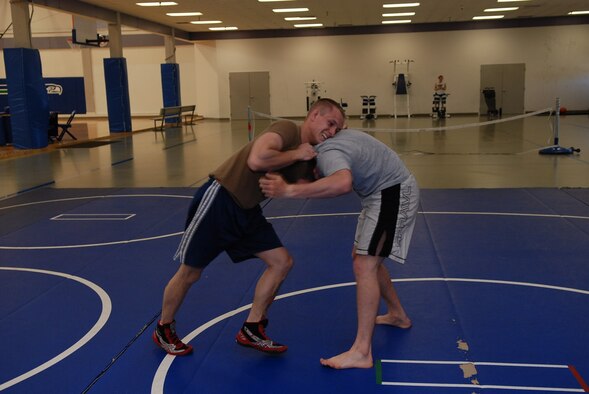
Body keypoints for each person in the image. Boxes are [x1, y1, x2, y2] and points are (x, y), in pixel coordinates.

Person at [152, 98, 346, 356]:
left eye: (338, 129)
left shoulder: (310, 152)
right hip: (221, 199)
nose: (332, 132)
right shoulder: (288, 130)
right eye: (330, 123)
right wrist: (298, 153)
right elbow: (257, 160)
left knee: (281, 262)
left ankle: (252, 328)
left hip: (247, 210)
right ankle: (164, 328)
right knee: (190, 273)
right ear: (314, 115)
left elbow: (308, 185)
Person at [259, 128, 419, 369]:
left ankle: (362, 352)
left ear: (313, 171)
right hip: (379, 194)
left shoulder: (327, 156)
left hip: (391, 192)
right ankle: (397, 315)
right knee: (363, 258)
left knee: (364, 265)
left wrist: (290, 190)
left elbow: (342, 183)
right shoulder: (325, 147)